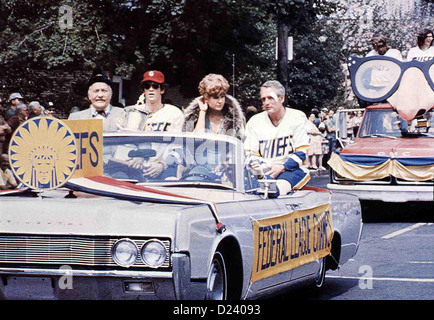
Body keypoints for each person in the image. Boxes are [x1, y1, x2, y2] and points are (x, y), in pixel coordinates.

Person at [244, 80, 310, 197]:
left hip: (291, 169)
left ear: (282, 99)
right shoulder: (255, 121)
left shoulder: (297, 117)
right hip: (265, 169)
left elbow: (302, 152)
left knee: (276, 190)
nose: (266, 102)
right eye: (263, 99)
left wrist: (281, 167)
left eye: (271, 98)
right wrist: (260, 168)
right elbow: (250, 152)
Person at [183, 73, 245, 139]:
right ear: (206, 98)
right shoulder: (195, 116)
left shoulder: (234, 119)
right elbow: (196, 140)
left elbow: (239, 143)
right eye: (215, 98)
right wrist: (202, 111)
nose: (220, 101)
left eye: (222, 96)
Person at [68, 67, 126, 131]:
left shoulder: (123, 114)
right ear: (89, 95)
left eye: (104, 91)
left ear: (110, 94)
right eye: (96, 91)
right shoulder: (76, 118)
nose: (100, 95)